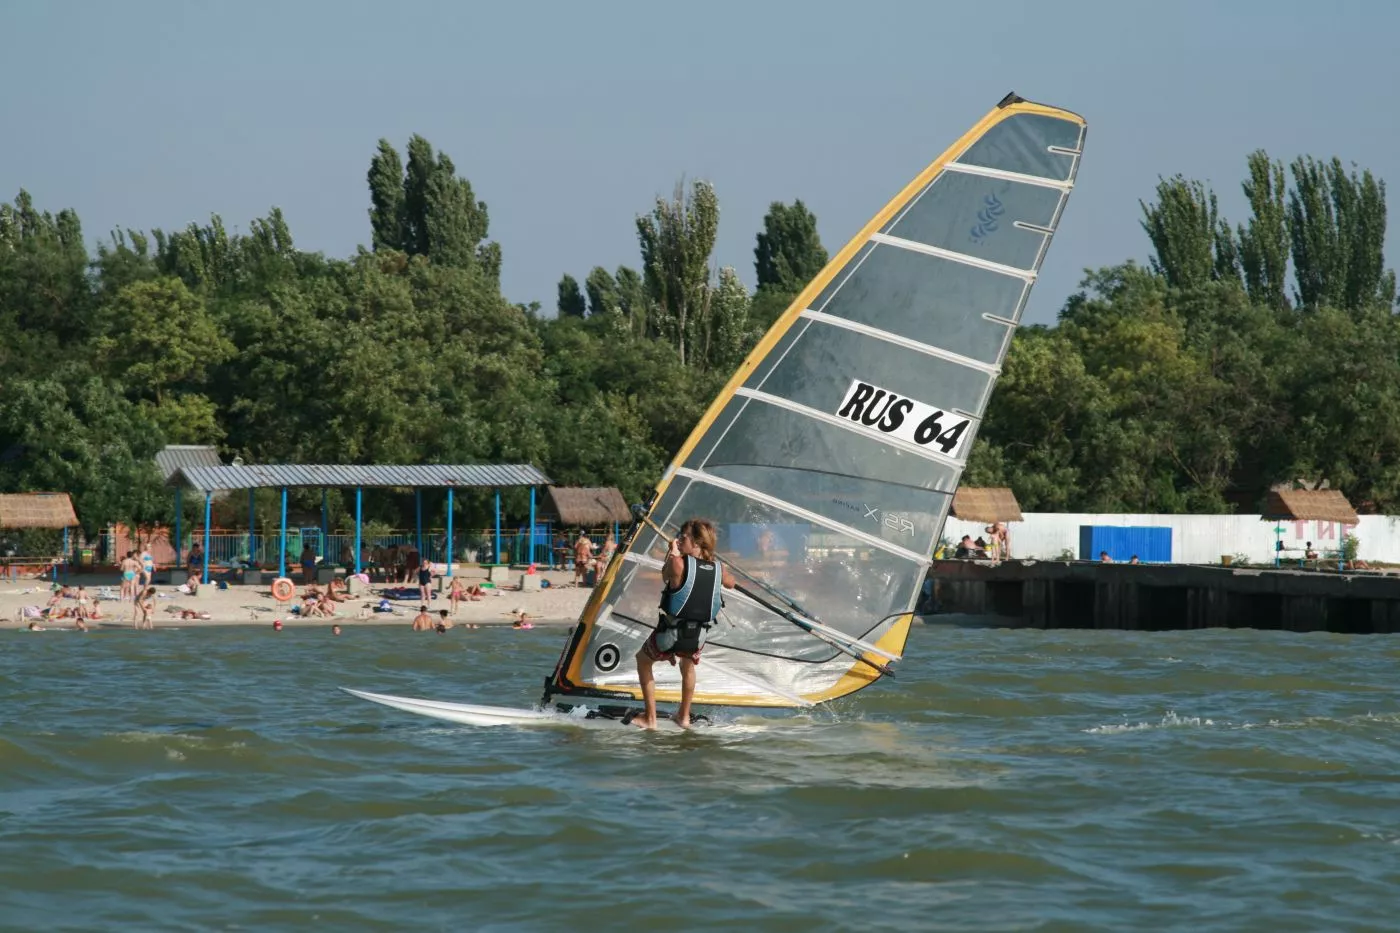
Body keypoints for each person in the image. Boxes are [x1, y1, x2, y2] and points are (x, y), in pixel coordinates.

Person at [635, 518, 736, 730]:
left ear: (697, 543)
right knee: (688, 666)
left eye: (684, 537)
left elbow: (666, 575)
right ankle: (684, 716)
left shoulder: (677, 562)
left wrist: (672, 553)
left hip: (670, 635)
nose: (679, 539)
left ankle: (650, 719)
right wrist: (714, 565)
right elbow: (731, 583)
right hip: (697, 638)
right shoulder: (718, 569)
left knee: (643, 660)